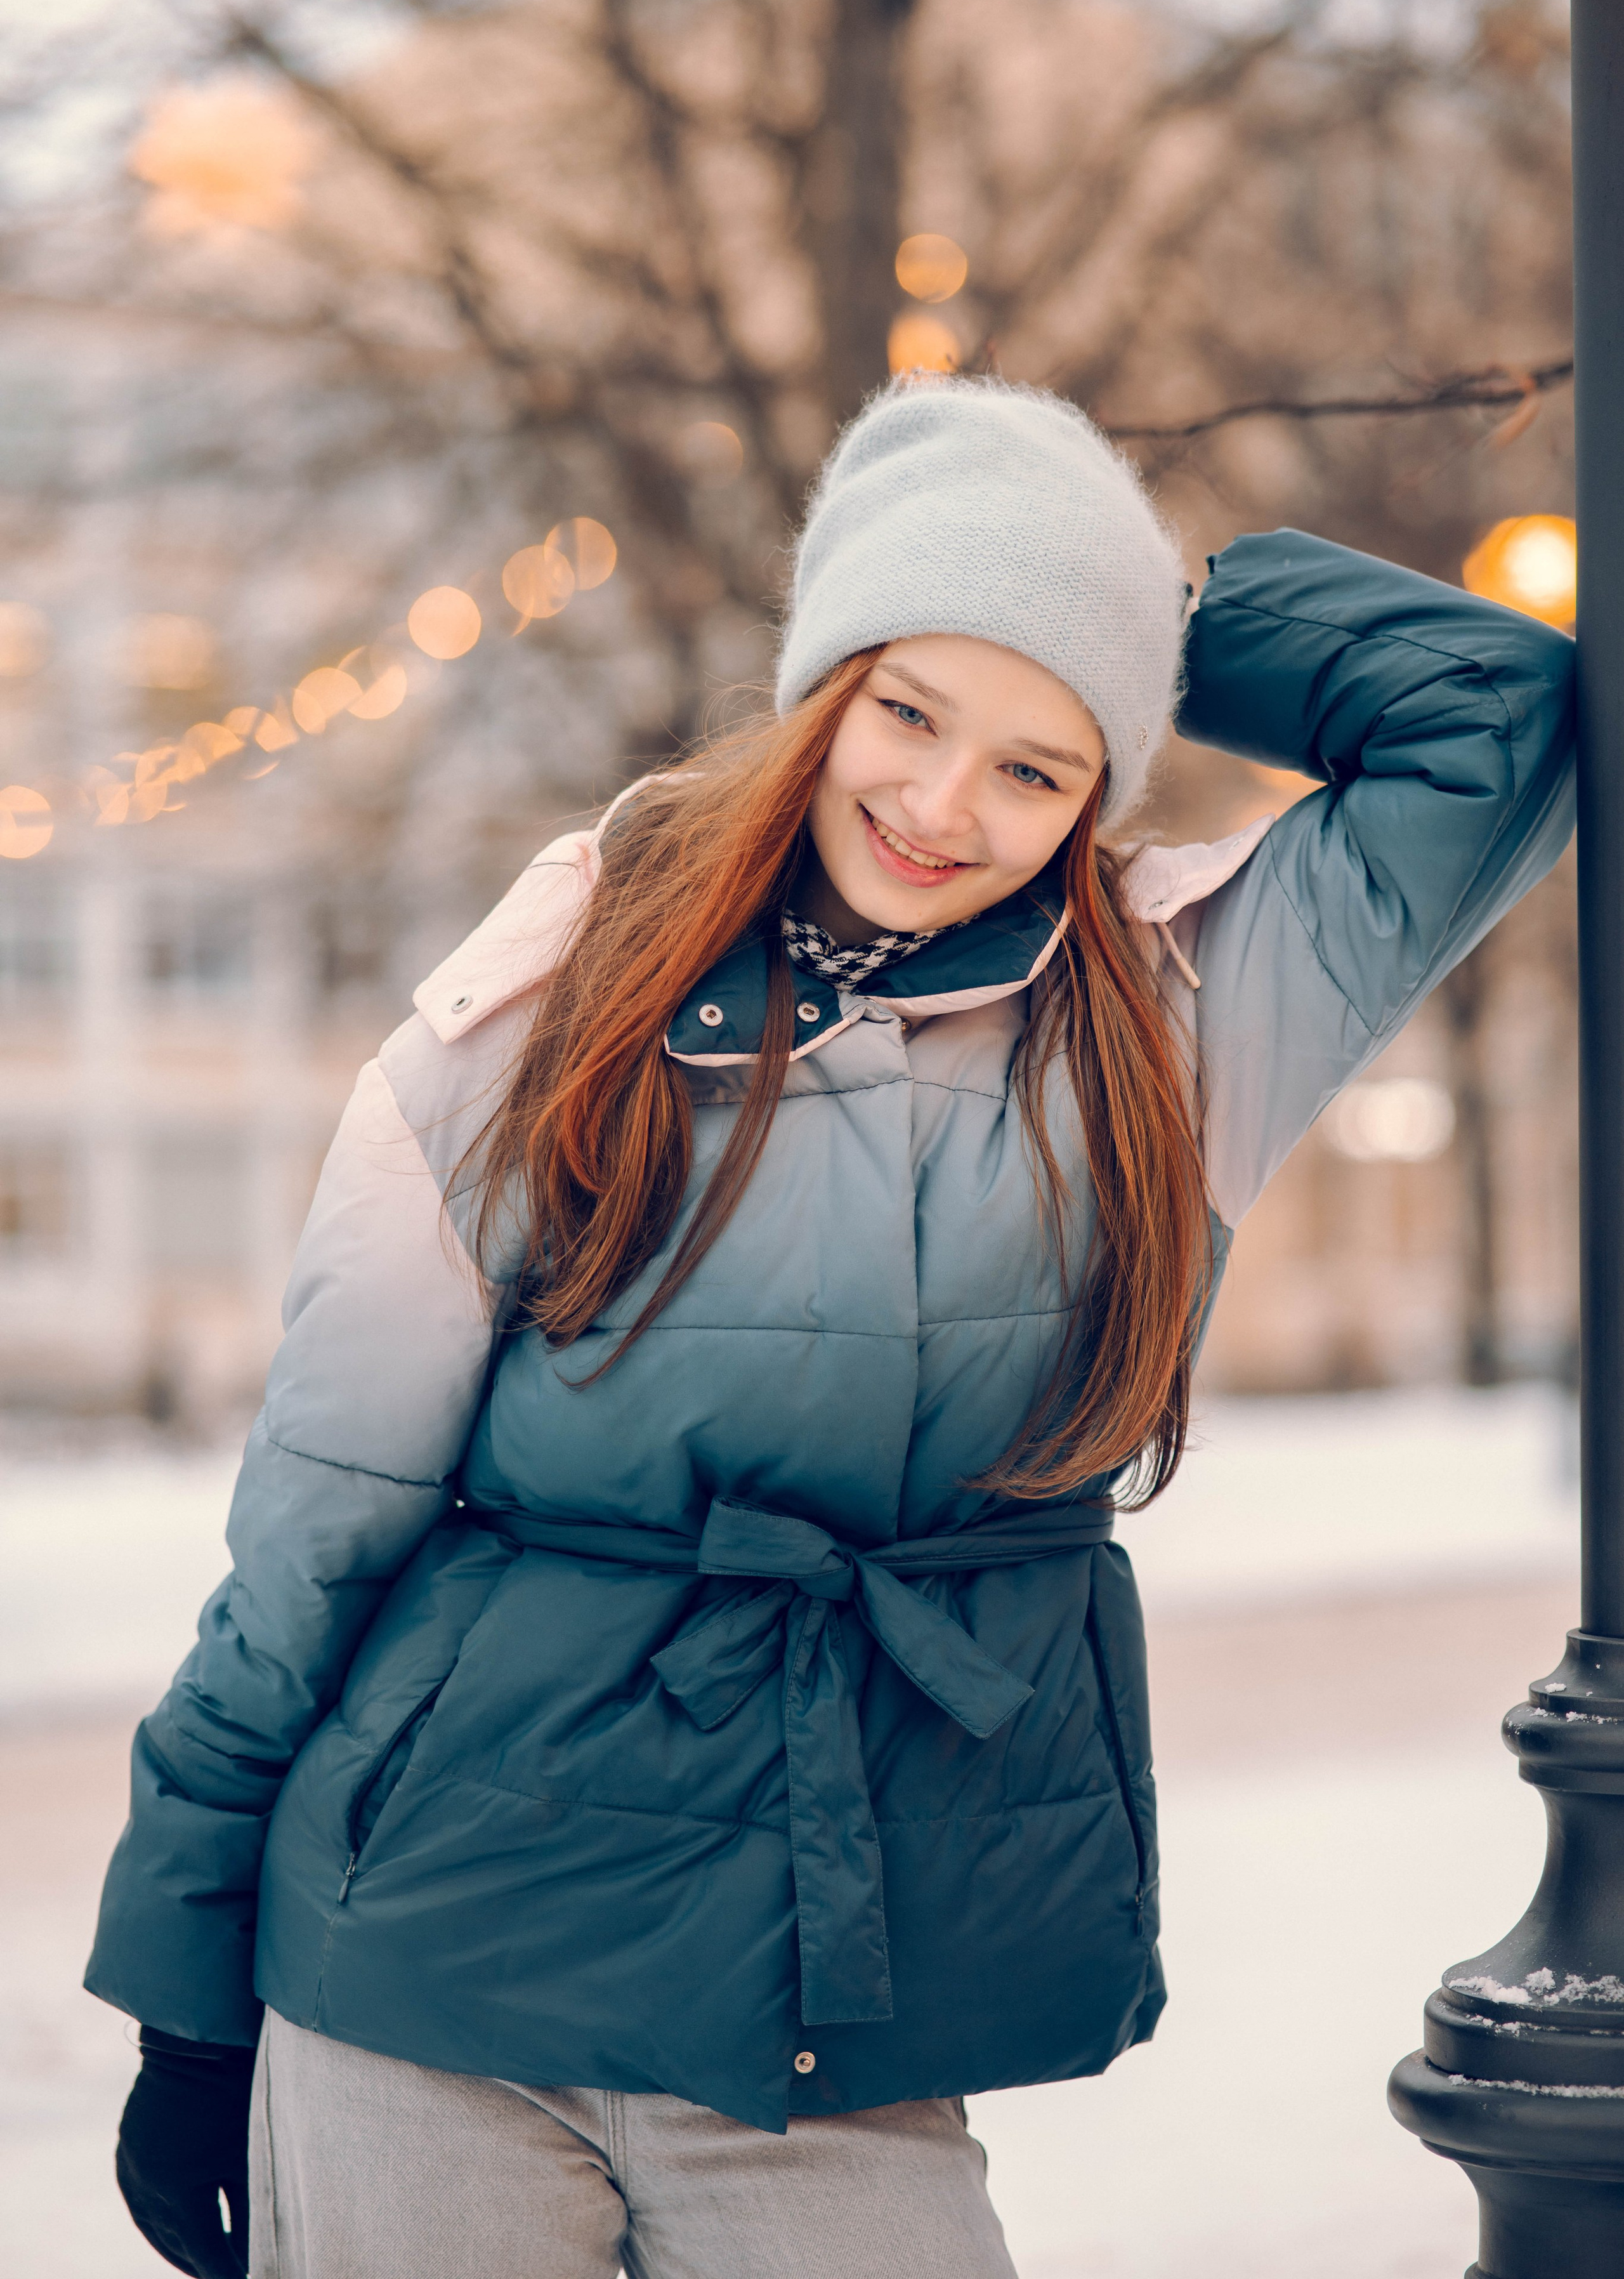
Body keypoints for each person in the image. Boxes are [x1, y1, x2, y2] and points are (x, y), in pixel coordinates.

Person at [88, 377, 1575, 2279]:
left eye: (1043, 766)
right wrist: (187, 1981)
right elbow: (323, 1510)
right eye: (912, 709)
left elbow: (1500, 722)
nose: (949, 807)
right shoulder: (564, 983)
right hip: (430, 1974)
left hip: (832, 2039)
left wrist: (1118, 596)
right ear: (827, 685)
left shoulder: (1184, 1023)